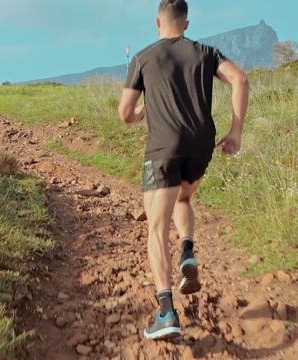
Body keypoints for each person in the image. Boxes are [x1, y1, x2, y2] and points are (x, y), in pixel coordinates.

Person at [117, 0, 249, 340]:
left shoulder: (143, 58)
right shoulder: (206, 51)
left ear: (157, 22)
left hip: (162, 151)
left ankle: (166, 313)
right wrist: (235, 132)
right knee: (183, 199)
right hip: (201, 146)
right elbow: (240, 80)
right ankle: (187, 250)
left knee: (156, 229)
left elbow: (125, 112)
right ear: (186, 24)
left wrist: (140, 114)